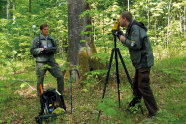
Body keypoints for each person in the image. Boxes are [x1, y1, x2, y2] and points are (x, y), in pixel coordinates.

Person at [118, 11, 158, 119]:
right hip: (139, 61)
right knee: (136, 85)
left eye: (119, 18)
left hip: (143, 61)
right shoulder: (131, 28)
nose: (118, 20)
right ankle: (134, 106)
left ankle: (153, 112)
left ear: (125, 19)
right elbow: (128, 39)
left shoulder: (135, 28)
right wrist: (120, 34)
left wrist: (124, 40)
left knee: (143, 86)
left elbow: (135, 44)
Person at [30, 24, 64, 96]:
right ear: (41, 30)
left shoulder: (51, 39)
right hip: (40, 62)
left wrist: (53, 50)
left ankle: (60, 94)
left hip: (51, 61)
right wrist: (41, 49)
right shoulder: (37, 39)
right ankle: (40, 95)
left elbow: (57, 49)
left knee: (60, 76)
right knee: (40, 79)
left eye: (47, 29)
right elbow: (32, 50)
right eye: (45, 29)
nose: (46, 31)